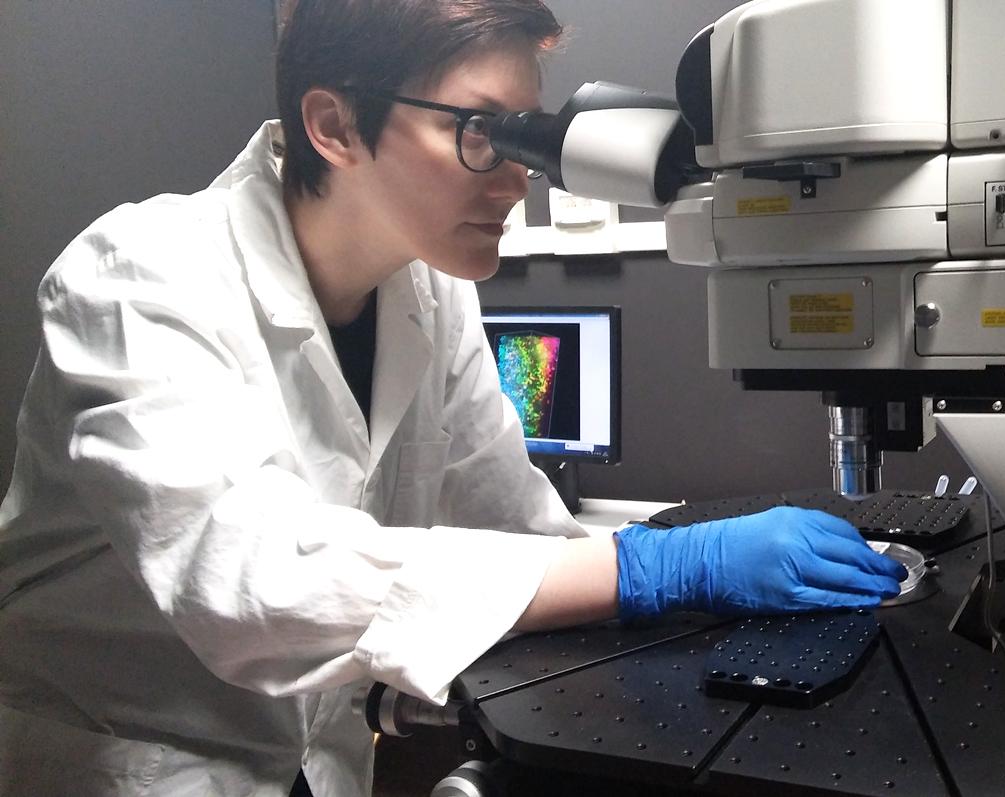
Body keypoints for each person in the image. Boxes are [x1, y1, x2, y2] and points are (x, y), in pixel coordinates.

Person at [0, 1, 905, 794]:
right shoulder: (138, 279)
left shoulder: (430, 293)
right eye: (480, 130)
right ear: (335, 126)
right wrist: (662, 565)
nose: (517, 175)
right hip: (132, 761)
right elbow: (254, 583)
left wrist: (693, 597)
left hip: (317, 762)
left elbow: (512, 528)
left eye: (524, 135)